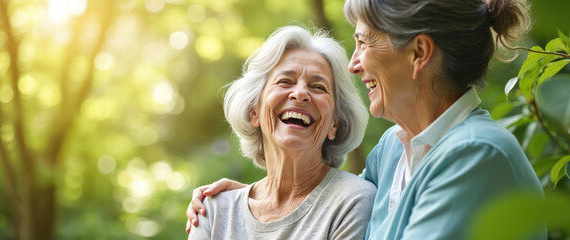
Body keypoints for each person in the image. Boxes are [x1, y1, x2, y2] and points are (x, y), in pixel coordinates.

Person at [187, 0, 545, 239]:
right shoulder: (393, 148)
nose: (354, 64)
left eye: (363, 43)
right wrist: (257, 202)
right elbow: (324, 199)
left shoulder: (474, 155)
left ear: (419, 53)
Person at [187, 25, 376, 240]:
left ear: (334, 124)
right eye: (285, 81)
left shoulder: (352, 200)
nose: (300, 93)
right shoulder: (213, 210)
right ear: (253, 112)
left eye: (318, 87)